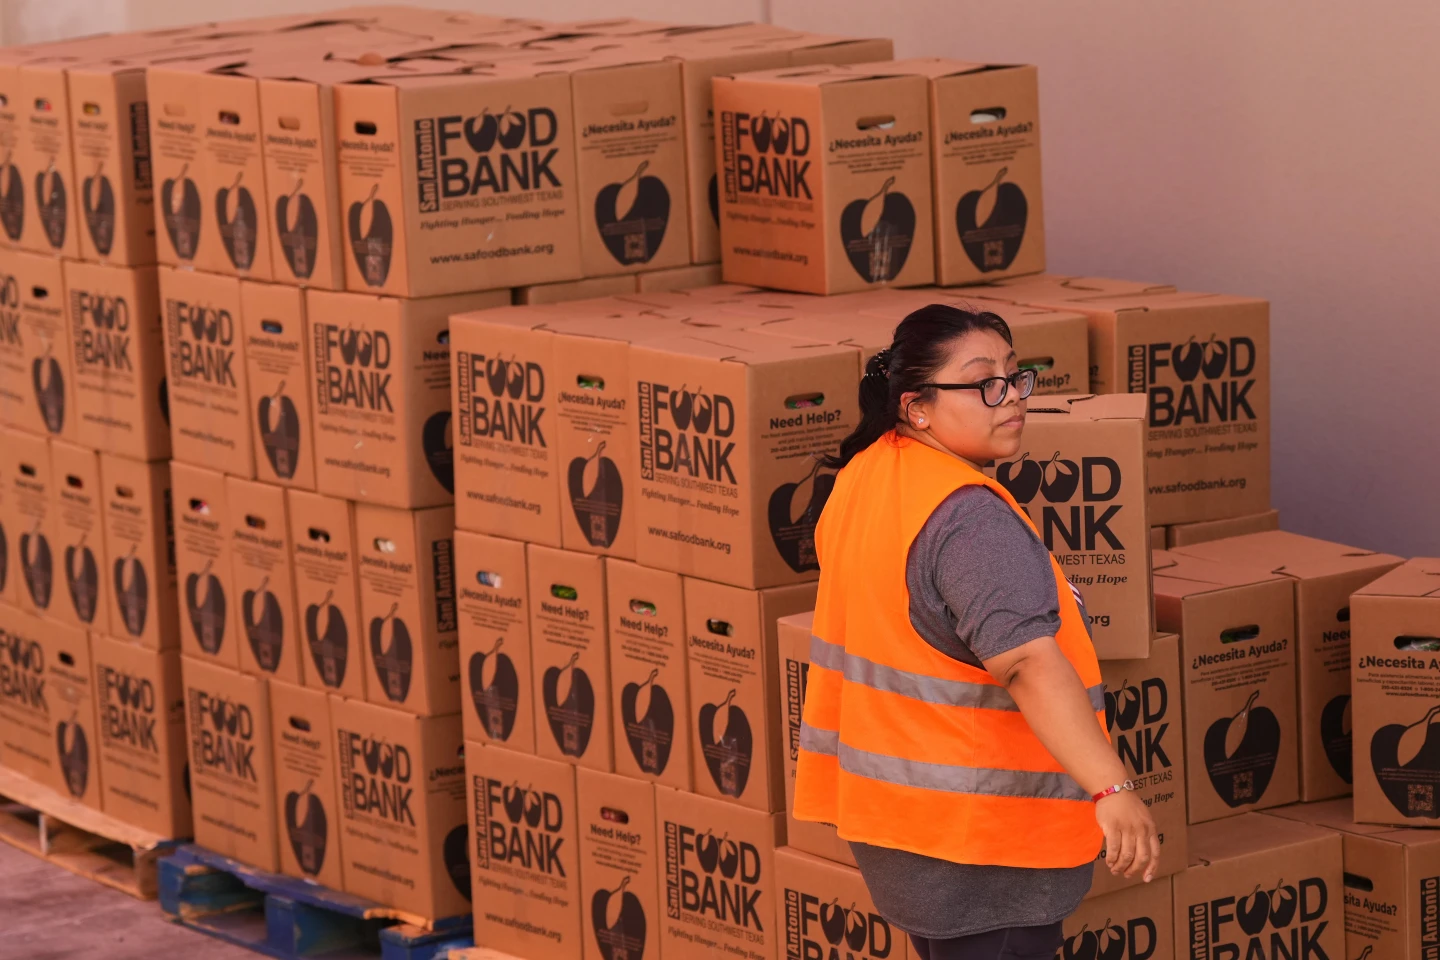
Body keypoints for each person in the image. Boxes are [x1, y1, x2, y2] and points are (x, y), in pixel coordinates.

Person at [792, 304, 1160, 960]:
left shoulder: (867, 476)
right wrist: (1113, 787)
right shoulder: (969, 521)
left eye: (1016, 377)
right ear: (917, 408)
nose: (1011, 397)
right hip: (988, 843)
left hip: (906, 832)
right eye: (984, 382)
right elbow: (1027, 664)